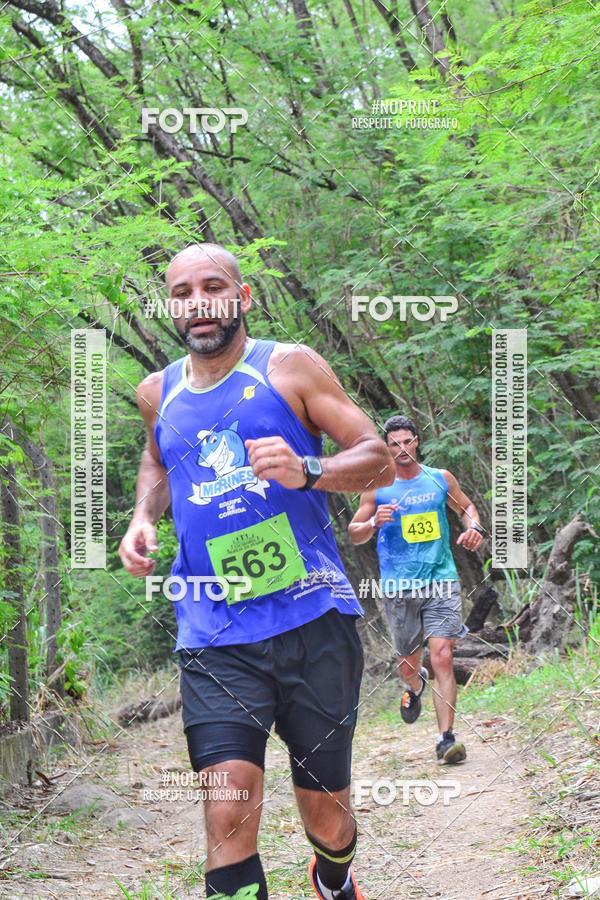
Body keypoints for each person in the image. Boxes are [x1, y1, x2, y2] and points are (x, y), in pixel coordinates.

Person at [118, 242, 394, 900]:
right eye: (182, 292)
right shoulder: (158, 391)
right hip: (214, 631)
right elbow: (158, 461)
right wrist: (142, 516)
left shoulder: (290, 367)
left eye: (213, 287)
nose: (197, 302)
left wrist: (311, 470)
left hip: (313, 619)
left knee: (328, 818)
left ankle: (334, 876)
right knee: (227, 812)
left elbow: (377, 457)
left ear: (242, 298)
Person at [348, 414, 484, 764]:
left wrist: (474, 529)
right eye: (394, 444)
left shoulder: (439, 479)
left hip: (441, 579)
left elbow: (467, 507)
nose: (402, 449)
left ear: (417, 441)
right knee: (408, 665)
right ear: (387, 448)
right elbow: (354, 532)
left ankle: (446, 739)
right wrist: (373, 522)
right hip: (399, 587)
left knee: (443, 655)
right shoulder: (376, 487)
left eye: (407, 441)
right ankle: (415, 685)